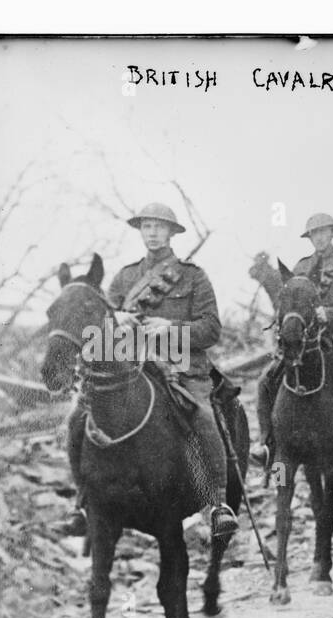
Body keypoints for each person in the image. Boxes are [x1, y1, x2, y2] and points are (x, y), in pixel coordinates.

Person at [66, 202, 238, 539]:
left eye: (159, 227)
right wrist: (117, 319)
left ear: (172, 232)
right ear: (140, 232)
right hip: (132, 366)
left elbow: (211, 329)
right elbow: (100, 320)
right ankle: (84, 502)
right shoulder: (126, 277)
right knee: (78, 416)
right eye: (147, 227)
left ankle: (216, 504)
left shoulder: (193, 276)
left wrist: (169, 327)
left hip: (181, 368)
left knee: (202, 415)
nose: (153, 233)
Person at [251, 213, 333, 476]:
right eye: (314, 234)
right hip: (304, 345)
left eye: (323, 232)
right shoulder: (300, 268)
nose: (319, 237)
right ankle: (267, 444)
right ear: (309, 238)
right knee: (265, 380)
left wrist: (328, 315)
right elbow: (286, 303)